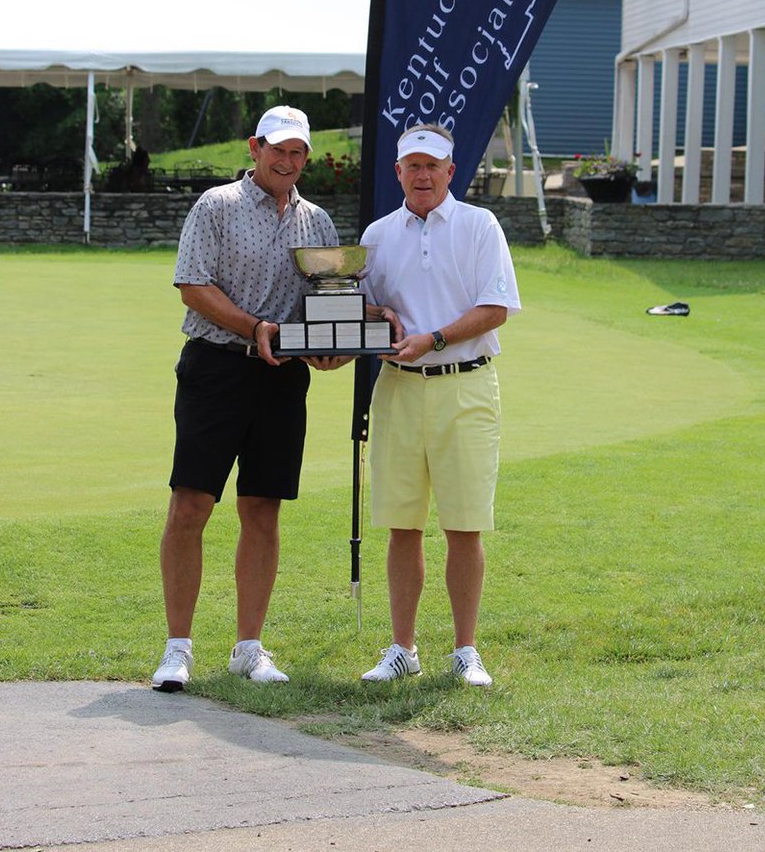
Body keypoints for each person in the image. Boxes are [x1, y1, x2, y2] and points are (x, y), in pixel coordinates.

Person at [151, 105, 347, 692]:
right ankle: (177, 649)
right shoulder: (216, 206)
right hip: (216, 368)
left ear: (306, 158)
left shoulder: (317, 222)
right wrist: (254, 328)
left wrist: (339, 341)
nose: (288, 162)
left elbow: (331, 299)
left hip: (283, 378)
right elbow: (192, 286)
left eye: (298, 153)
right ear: (254, 148)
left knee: (262, 509)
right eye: (278, 150)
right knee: (191, 505)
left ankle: (248, 648)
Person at [359, 122, 520, 687]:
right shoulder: (378, 236)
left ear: (451, 171)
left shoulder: (480, 225)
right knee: (402, 524)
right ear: (398, 171)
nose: (422, 175)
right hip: (399, 388)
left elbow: (496, 307)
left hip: (465, 386)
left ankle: (465, 650)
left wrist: (435, 339)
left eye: (433, 166)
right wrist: (381, 320)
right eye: (412, 166)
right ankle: (402, 647)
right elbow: (367, 309)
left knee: (464, 524)